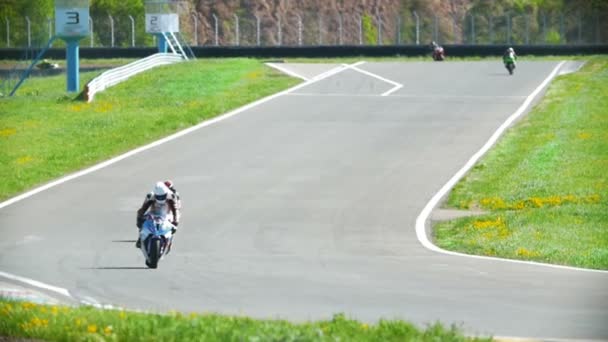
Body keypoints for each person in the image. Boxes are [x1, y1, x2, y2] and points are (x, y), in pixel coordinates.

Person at [135, 181, 181, 248]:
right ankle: (140, 238)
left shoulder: (171, 196)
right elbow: (143, 208)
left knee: (172, 225)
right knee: (143, 220)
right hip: (154, 211)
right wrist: (139, 219)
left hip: (167, 212)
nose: (161, 198)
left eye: (163, 196)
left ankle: (169, 241)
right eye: (159, 197)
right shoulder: (150, 196)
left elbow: (175, 209)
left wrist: (175, 222)